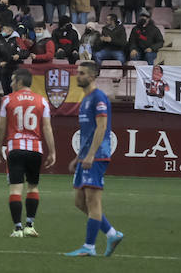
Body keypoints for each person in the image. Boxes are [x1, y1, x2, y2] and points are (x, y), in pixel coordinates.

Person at [64, 61, 124, 257]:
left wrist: (91, 155)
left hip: (97, 156)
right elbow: (88, 132)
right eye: (78, 72)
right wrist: (79, 156)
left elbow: (102, 127)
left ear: (92, 76)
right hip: (86, 156)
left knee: (93, 201)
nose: (78, 76)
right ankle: (112, 234)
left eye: (82, 73)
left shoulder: (98, 97)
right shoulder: (85, 99)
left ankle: (89, 247)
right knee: (79, 201)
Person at [0, 68, 55, 238]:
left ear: (20, 82)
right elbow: (47, 128)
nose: (11, 83)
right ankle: (30, 225)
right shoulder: (42, 101)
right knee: (33, 186)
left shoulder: (7, 100)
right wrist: (52, 151)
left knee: (15, 189)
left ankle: (18, 228)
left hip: (15, 148)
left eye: (13, 80)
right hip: (35, 149)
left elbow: (0, 127)